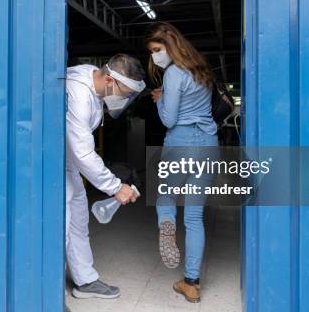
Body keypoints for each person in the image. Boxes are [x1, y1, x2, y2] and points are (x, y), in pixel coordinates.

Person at [146, 22, 218, 303]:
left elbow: (169, 119)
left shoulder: (174, 73)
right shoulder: (201, 70)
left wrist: (159, 101)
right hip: (209, 145)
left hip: (181, 142)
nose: (154, 56)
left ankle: (166, 223)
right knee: (194, 217)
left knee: (164, 194)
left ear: (170, 46)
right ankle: (191, 283)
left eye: (156, 50)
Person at [65, 54, 146, 300]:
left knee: (77, 220)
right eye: (125, 92)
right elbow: (82, 151)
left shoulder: (94, 80)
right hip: (50, 163)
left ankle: (85, 280)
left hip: (67, 161)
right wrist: (115, 187)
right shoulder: (78, 94)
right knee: (60, 223)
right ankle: (48, 295)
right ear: (110, 80)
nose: (125, 99)